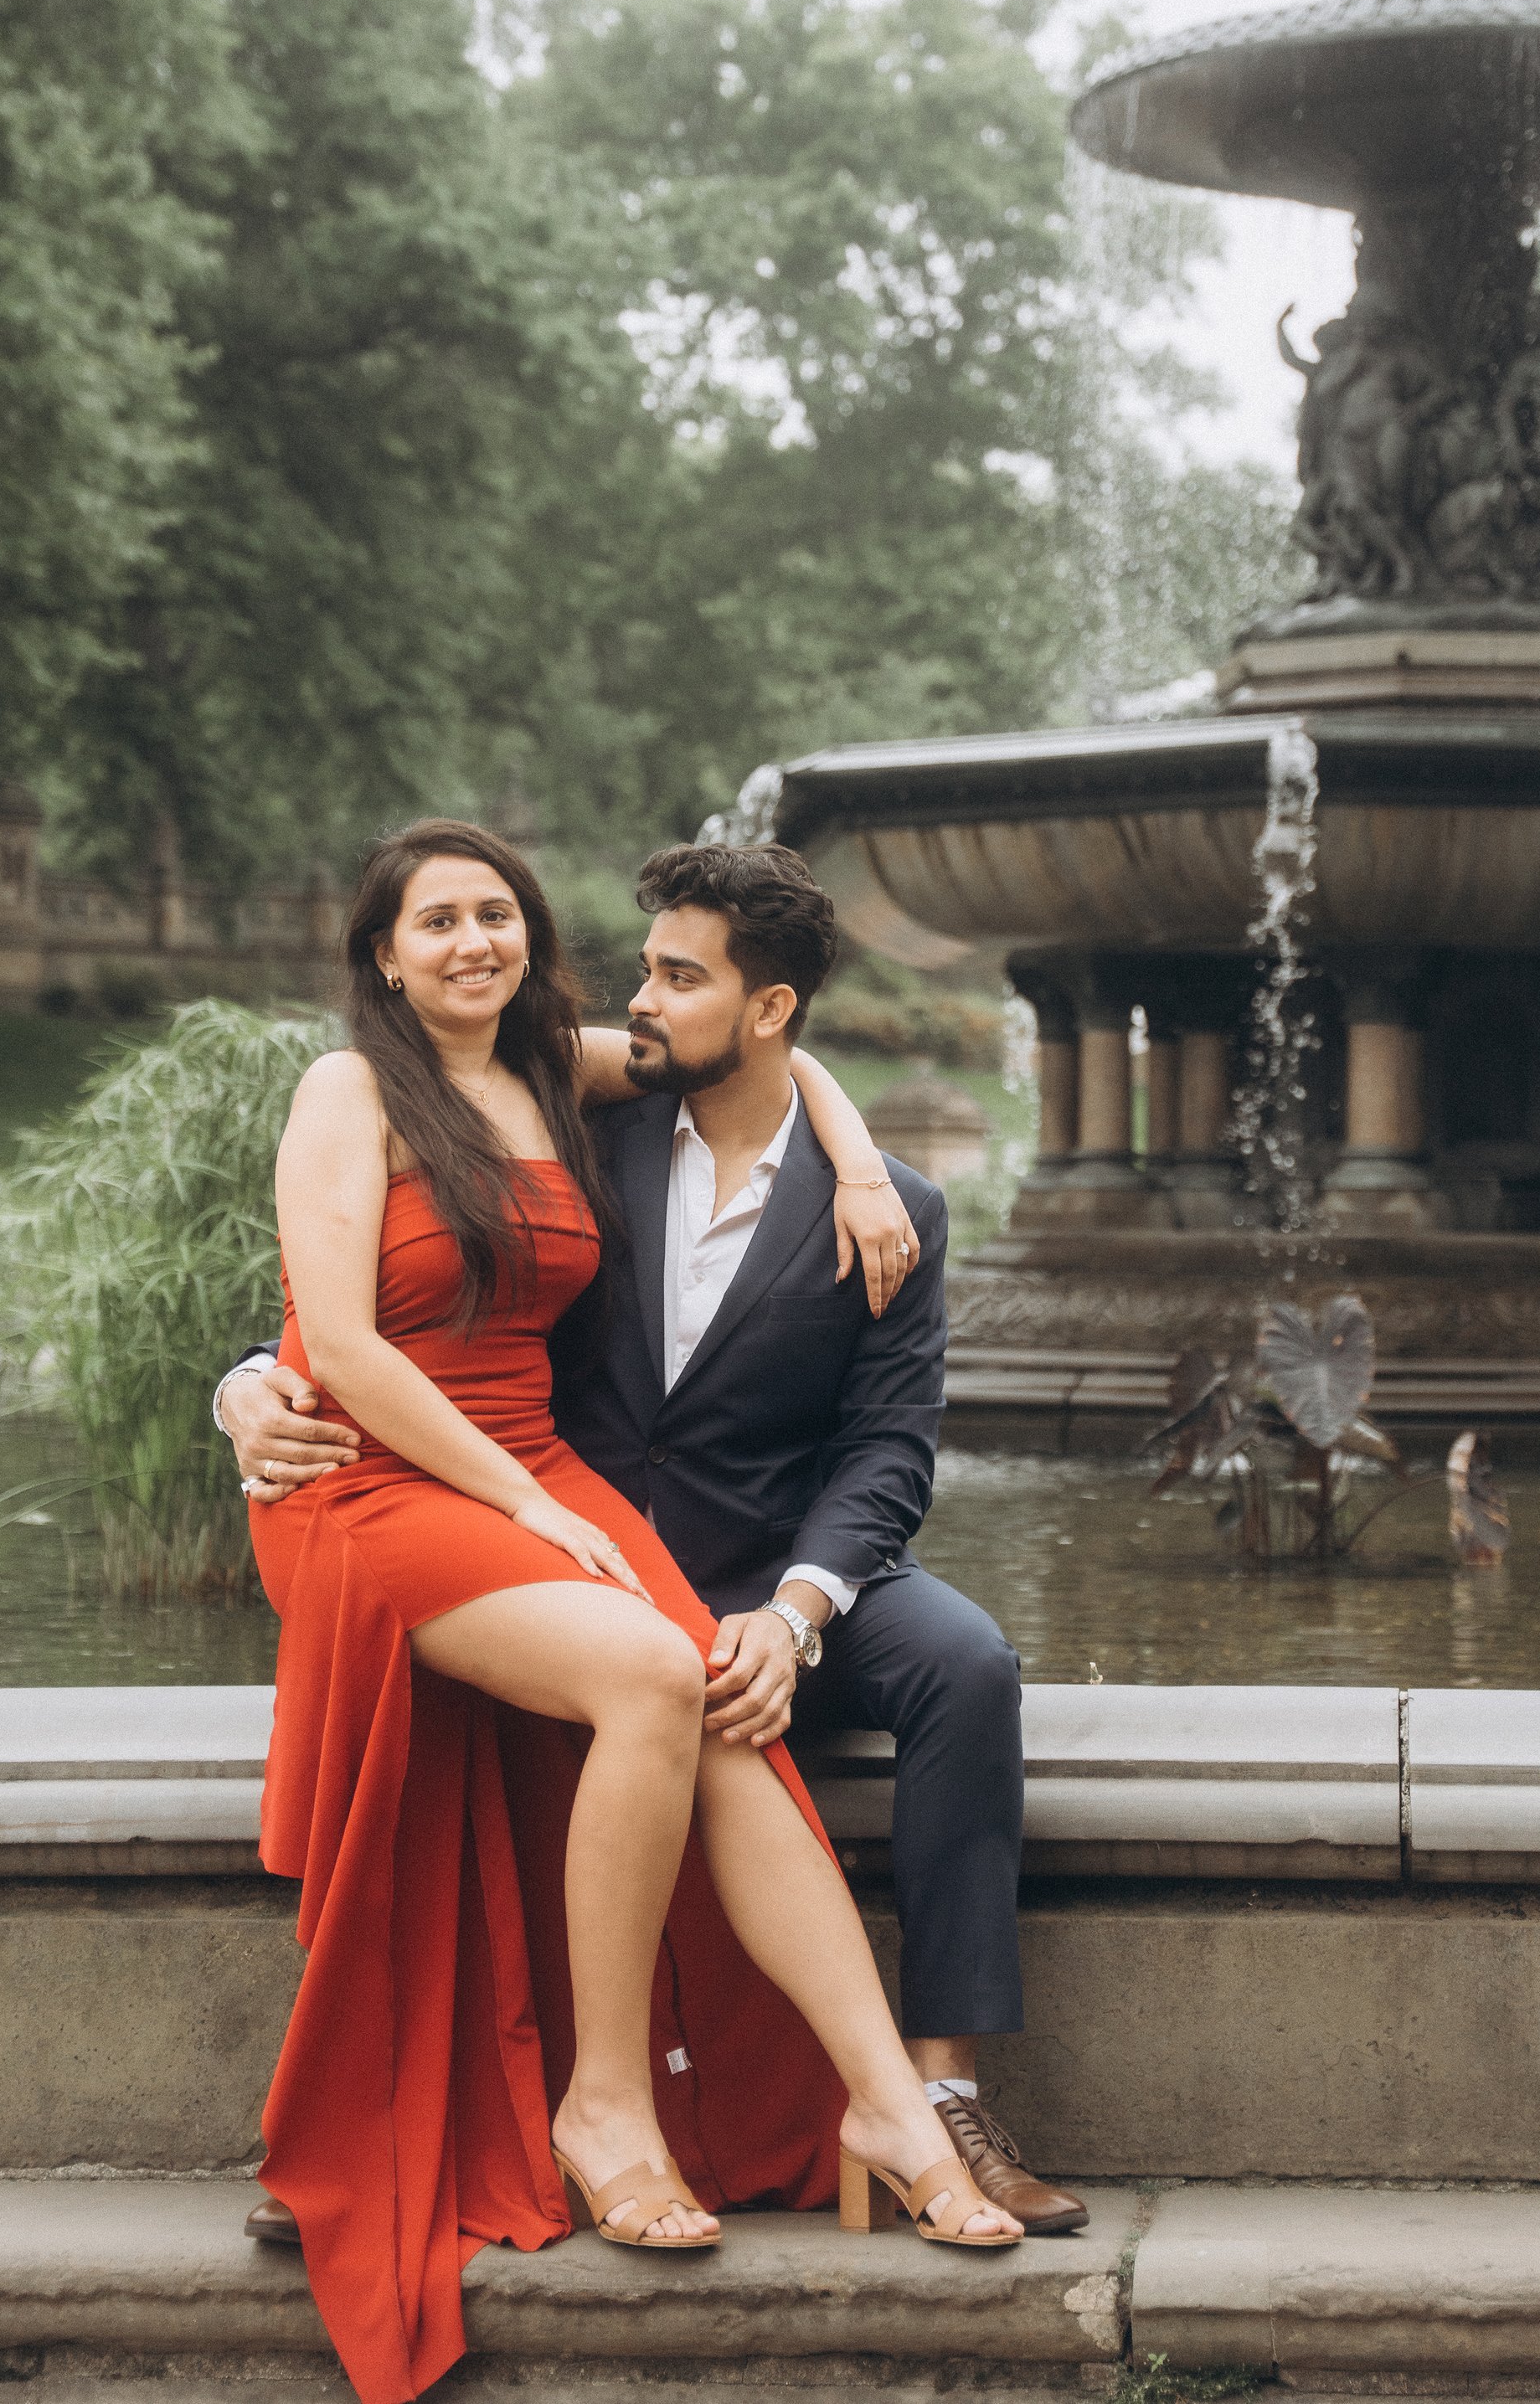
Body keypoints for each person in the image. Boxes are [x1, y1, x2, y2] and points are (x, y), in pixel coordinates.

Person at [234, 820, 1022, 2404]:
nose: (474, 939)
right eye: (436, 920)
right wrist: (261, 1393)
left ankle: (886, 2100)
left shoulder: (560, 1069)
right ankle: (604, 2103)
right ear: (382, 955)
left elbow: (763, 1045)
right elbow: (346, 1345)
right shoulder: (350, 1092)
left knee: (729, 1708)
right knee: (663, 1673)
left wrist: (865, 1167)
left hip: (526, 1465)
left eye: (498, 912)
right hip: (382, 1478)